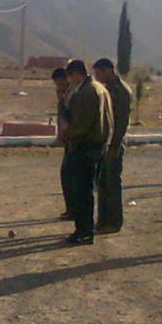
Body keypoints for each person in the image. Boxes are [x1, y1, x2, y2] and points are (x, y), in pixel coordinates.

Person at [62, 59, 113, 245]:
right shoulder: (100, 89)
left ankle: (84, 231)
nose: (70, 80)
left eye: (70, 75)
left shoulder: (86, 92)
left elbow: (82, 123)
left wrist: (66, 135)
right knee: (87, 190)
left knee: (82, 192)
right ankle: (85, 230)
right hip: (98, 146)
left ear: (77, 73)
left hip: (86, 147)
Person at [93, 58, 132, 233]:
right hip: (104, 143)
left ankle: (114, 222)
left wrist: (114, 146)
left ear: (107, 70)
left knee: (112, 183)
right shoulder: (107, 90)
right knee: (102, 183)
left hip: (113, 144)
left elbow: (121, 122)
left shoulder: (121, 91)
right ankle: (103, 220)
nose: (97, 77)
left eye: (99, 73)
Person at [52, 67, 75, 220]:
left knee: (73, 177)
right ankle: (70, 209)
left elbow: (71, 117)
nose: (59, 88)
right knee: (66, 176)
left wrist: (62, 101)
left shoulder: (74, 95)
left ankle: (75, 210)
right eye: (57, 85)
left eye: (62, 84)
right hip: (67, 140)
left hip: (76, 140)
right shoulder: (64, 95)